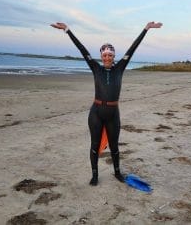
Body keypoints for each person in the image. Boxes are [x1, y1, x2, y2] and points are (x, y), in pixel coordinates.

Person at [51, 21, 162, 186]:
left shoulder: (120, 68)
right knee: (94, 145)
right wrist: (67, 30)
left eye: (110, 55)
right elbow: (82, 49)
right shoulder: (96, 68)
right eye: (104, 55)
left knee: (115, 146)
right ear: (101, 57)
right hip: (96, 112)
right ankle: (95, 175)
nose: (107, 58)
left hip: (112, 113)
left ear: (113, 56)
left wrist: (146, 29)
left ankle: (117, 173)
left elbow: (133, 48)